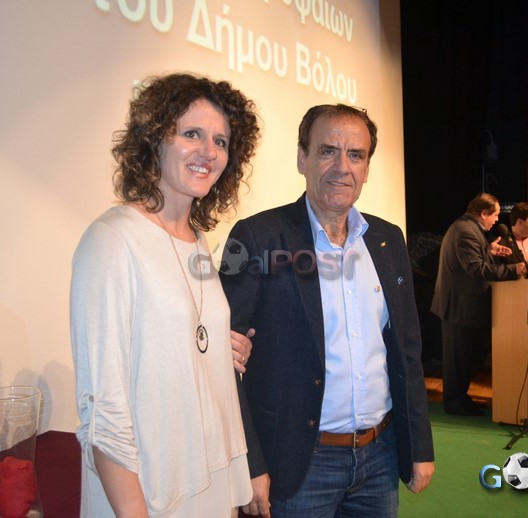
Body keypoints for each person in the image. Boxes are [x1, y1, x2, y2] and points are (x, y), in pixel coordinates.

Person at [220, 104, 435, 517]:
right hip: (296, 464)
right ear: (302, 158)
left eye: (356, 155)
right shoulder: (256, 237)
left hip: (379, 456)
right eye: (327, 151)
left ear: (367, 168)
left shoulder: (388, 240)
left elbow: (407, 351)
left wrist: (419, 446)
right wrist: (248, 462)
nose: (342, 167)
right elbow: (222, 363)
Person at [70, 73, 260, 517]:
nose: (208, 151)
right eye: (191, 134)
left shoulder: (197, 241)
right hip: (147, 496)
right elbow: (104, 409)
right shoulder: (112, 241)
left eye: (221, 141)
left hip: (208, 486)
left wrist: (219, 348)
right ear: (154, 139)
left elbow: (179, 337)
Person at [431, 193, 525, 417]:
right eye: (495, 215)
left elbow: (472, 260)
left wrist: (489, 251)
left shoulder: (468, 228)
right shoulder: (465, 231)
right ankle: (455, 403)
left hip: (463, 305)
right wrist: (514, 270)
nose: (497, 220)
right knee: (458, 359)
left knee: (465, 357)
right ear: (483, 213)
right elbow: (475, 269)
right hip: (459, 306)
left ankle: (461, 398)